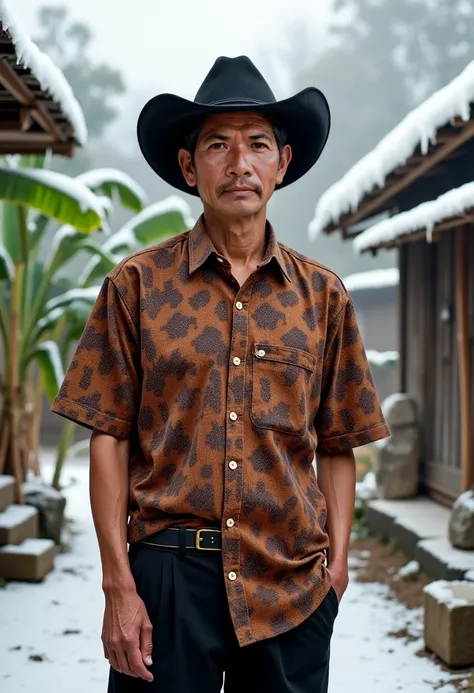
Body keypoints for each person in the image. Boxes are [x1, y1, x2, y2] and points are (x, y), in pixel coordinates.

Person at [51, 55, 390, 693]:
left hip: (290, 584)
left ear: (282, 163)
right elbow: (107, 438)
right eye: (218, 145)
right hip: (167, 584)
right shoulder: (136, 286)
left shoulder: (323, 296)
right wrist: (118, 585)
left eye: (258, 144)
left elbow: (340, 442)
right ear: (189, 166)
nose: (239, 164)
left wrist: (335, 573)